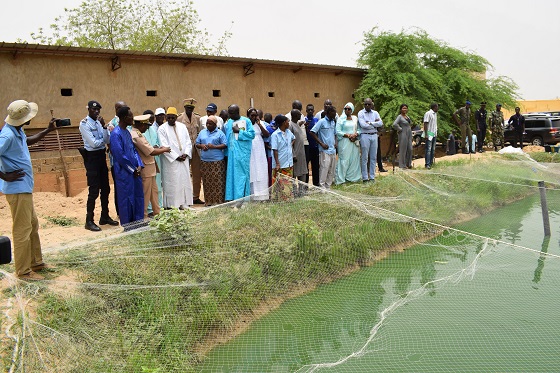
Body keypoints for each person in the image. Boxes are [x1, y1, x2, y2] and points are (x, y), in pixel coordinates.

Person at [0, 100, 56, 280]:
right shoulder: (7, 135)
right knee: (22, 230)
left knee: (32, 225)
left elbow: (27, 141)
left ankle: (36, 262)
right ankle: (23, 272)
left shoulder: (18, 130)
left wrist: (47, 131)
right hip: (16, 189)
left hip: (24, 187)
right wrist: (4, 176)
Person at [79, 100, 119, 231]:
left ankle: (104, 216)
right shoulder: (84, 123)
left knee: (106, 189)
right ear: (89, 109)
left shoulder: (99, 123)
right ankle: (89, 220)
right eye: (93, 109)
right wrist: (102, 141)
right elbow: (93, 143)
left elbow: (106, 140)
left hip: (101, 156)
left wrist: (104, 127)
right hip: (92, 158)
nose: (96, 112)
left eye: (98, 110)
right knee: (94, 190)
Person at [131, 114, 171, 218]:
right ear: (141, 125)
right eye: (146, 126)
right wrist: (165, 149)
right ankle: (143, 216)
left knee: (154, 191)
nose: (147, 128)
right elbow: (150, 151)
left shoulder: (138, 133)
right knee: (145, 194)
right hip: (145, 169)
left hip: (150, 168)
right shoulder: (136, 135)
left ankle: (157, 213)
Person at [158, 107, 193, 209]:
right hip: (171, 162)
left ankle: (184, 204)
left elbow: (188, 141)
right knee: (173, 182)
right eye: (168, 118)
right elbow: (163, 145)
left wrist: (186, 154)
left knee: (184, 181)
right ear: (165, 117)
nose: (170, 120)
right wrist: (176, 156)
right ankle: (173, 206)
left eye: (173, 118)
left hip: (184, 159)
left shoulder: (182, 126)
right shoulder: (162, 129)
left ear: (176, 117)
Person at [224, 104, 255, 201]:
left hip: (242, 154)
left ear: (237, 113)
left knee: (242, 176)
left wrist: (239, 132)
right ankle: (233, 199)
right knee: (232, 176)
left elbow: (252, 135)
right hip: (232, 154)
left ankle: (243, 200)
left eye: (231, 113)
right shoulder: (229, 122)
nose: (229, 115)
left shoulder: (246, 121)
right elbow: (228, 138)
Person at [195, 115, 227, 206]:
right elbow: (197, 143)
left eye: (210, 123)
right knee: (207, 181)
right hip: (205, 161)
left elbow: (225, 144)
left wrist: (214, 147)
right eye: (207, 123)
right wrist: (202, 146)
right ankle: (208, 201)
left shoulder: (220, 133)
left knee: (217, 181)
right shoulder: (202, 132)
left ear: (215, 124)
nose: (208, 125)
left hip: (217, 161)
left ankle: (218, 201)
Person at [177, 98, 203, 204]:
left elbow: (200, 132)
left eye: (191, 108)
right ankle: (184, 197)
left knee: (197, 174)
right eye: (188, 108)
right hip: (185, 150)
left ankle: (196, 196)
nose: (190, 110)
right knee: (184, 173)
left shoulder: (197, 118)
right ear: (184, 108)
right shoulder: (179, 119)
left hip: (196, 149)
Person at [106, 101, 127, 215]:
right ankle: (120, 212)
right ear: (116, 109)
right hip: (117, 163)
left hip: (129, 163)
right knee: (119, 188)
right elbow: (112, 146)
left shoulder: (128, 122)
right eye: (122, 108)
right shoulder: (111, 125)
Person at [310, 105, 337, 189]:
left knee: (331, 169)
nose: (335, 114)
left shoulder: (333, 122)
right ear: (329, 113)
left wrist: (336, 142)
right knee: (324, 168)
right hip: (324, 150)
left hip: (332, 150)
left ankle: (328, 186)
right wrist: (321, 143)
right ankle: (322, 187)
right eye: (334, 112)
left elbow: (335, 134)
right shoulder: (321, 122)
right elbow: (312, 132)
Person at [357, 98, 383, 182]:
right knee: (364, 157)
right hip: (365, 136)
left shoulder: (375, 113)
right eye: (366, 104)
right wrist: (375, 124)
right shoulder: (361, 113)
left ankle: (372, 177)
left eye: (369, 104)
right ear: (364, 104)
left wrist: (370, 123)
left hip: (374, 135)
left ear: (372, 104)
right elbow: (363, 125)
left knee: (373, 157)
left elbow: (381, 123)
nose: (367, 106)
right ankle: (365, 177)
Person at [270, 114, 295, 200]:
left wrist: (289, 146)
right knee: (279, 183)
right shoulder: (275, 135)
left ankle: (287, 199)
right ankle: (278, 199)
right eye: (288, 122)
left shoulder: (288, 132)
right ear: (284, 123)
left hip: (289, 162)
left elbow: (294, 138)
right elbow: (275, 150)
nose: (289, 123)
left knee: (288, 182)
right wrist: (277, 163)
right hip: (280, 163)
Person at [335, 103, 361, 183]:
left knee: (354, 159)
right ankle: (341, 179)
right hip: (344, 142)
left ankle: (352, 178)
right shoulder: (340, 119)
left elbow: (359, 129)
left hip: (353, 141)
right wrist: (348, 135)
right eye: (345, 109)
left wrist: (355, 135)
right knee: (344, 160)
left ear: (352, 110)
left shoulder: (355, 118)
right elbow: (338, 131)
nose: (347, 110)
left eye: (349, 109)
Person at [247, 108, 270, 201]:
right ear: (248, 115)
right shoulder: (246, 124)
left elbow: (267, 134)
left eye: (255, 115)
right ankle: (252, 194)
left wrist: (259, 124)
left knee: (261, 169)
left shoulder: (261, 123)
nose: (253, 117)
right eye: (251, 115)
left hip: (259, 149)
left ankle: (262, 195)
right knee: (252, 170)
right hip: (250, 149)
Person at [288, 109, 309, 187]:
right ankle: (294, 192)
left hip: (301, 154)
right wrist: (293, 155)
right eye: (299, 114)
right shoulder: (290, 125)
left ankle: (301, 192)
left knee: (303, 172)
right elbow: (289, 142)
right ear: (295, 115)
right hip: (295, 155)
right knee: (294, 174)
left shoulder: (297, 124)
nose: (301, 115)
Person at [392, 104, 413, 169]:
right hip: (403, 133)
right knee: (403, 149)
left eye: (406, 108)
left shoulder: (407, 116)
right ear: (401, 109)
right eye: (403, 108)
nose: (405, 109)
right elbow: (394, 124)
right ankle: (402, 165)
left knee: (410, 148)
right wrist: (400, 129)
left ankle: (408, 163)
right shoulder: (399, 117)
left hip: (409, 133)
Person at [304, 104, 320, 186]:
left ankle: (316, 184)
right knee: (306, 167)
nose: (310, 111)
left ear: (314, 111)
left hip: (315, 147)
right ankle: (306, 185)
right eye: (308, 110)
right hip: (306, 147)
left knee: (316, 167)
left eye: (311, 110)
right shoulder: (304, 120)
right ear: (306, 111)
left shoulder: (317, 120)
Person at [423, 102, 439, 169]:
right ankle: (427, 164)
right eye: (437, 107)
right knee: (428, 149)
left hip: (433, 133)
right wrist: (426, 134)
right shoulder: (428, 113)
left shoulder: (435, 114)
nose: (438, 108)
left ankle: (431, 162)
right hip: (429, 133)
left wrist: (436, 133)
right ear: (434, 107)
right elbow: (425, 123)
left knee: (433, 149)